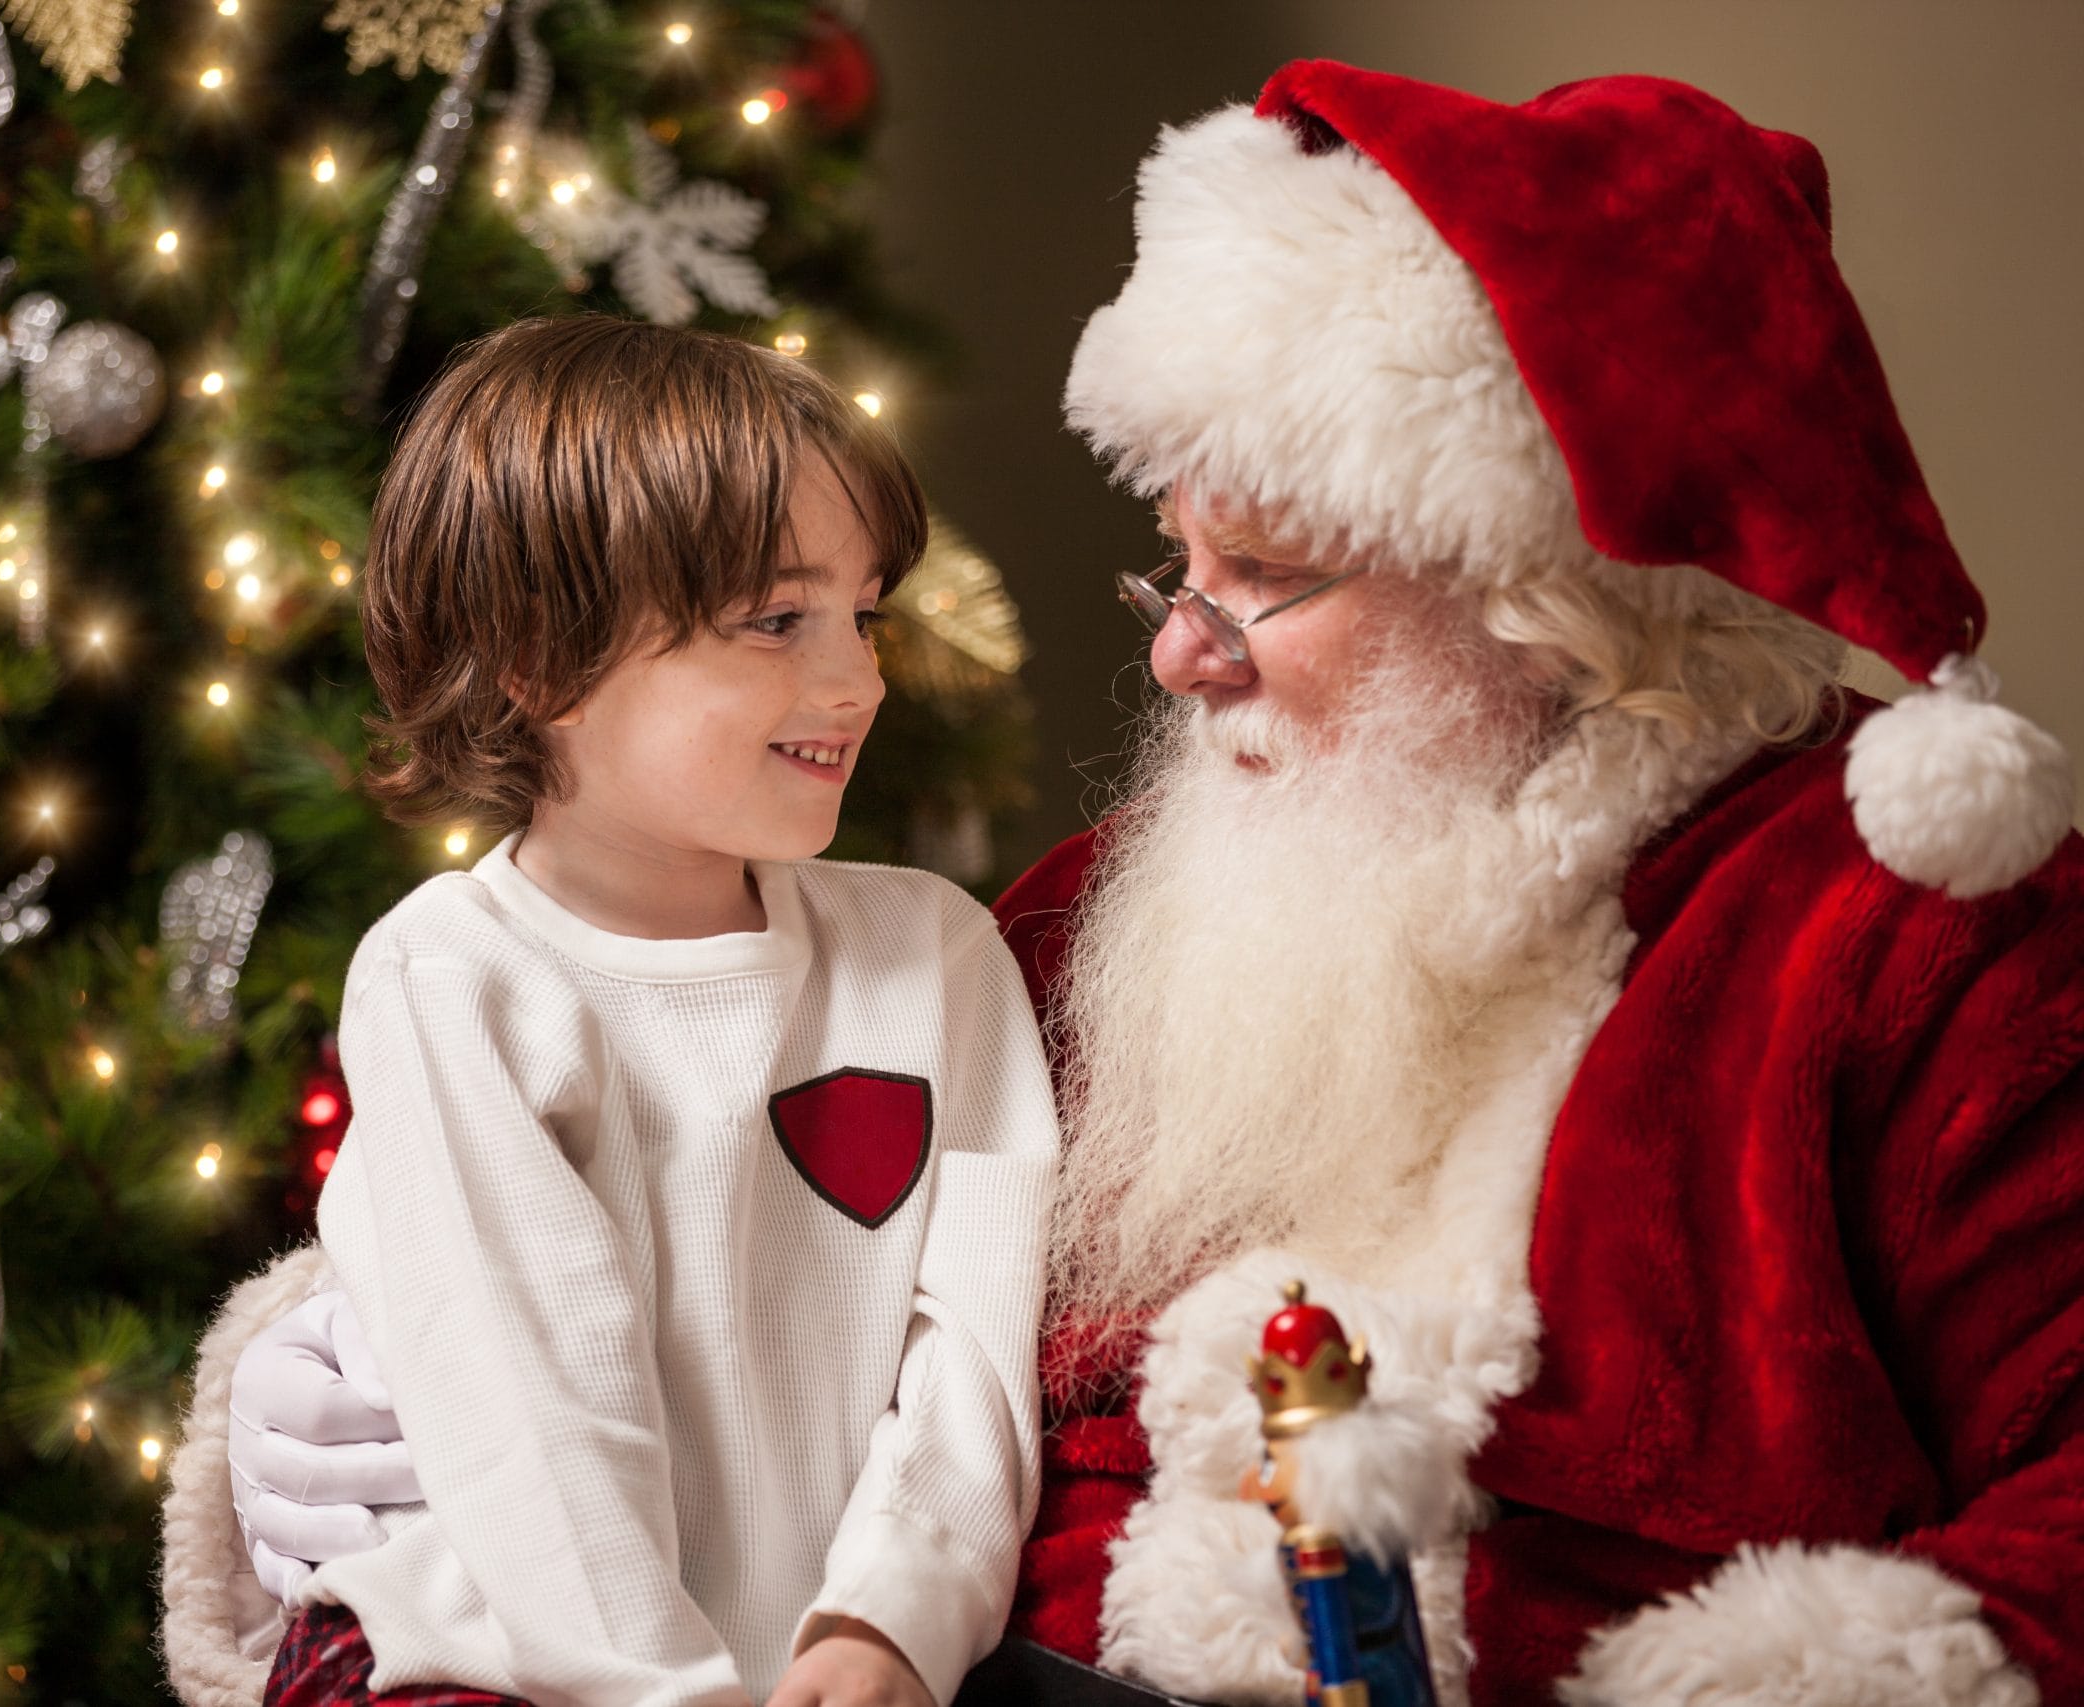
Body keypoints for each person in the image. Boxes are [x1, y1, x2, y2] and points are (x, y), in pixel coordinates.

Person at [176, 64, 2084, 1707]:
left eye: (1268, 574)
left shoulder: (1913, 931)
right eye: (1175, 568)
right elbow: (723, 1248)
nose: (1183, 653)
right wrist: (343, 1355)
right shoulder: (1106, 915)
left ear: (1558, 594)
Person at [159, 315, 1060, 1707]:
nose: (858, 680)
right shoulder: (456, 980)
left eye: (863, 613)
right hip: (495, 1667)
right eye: (776, 621)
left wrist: (889, 1619)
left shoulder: (936, 959)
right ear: (539, 660)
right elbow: (538, 1433)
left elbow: (976, 1351)